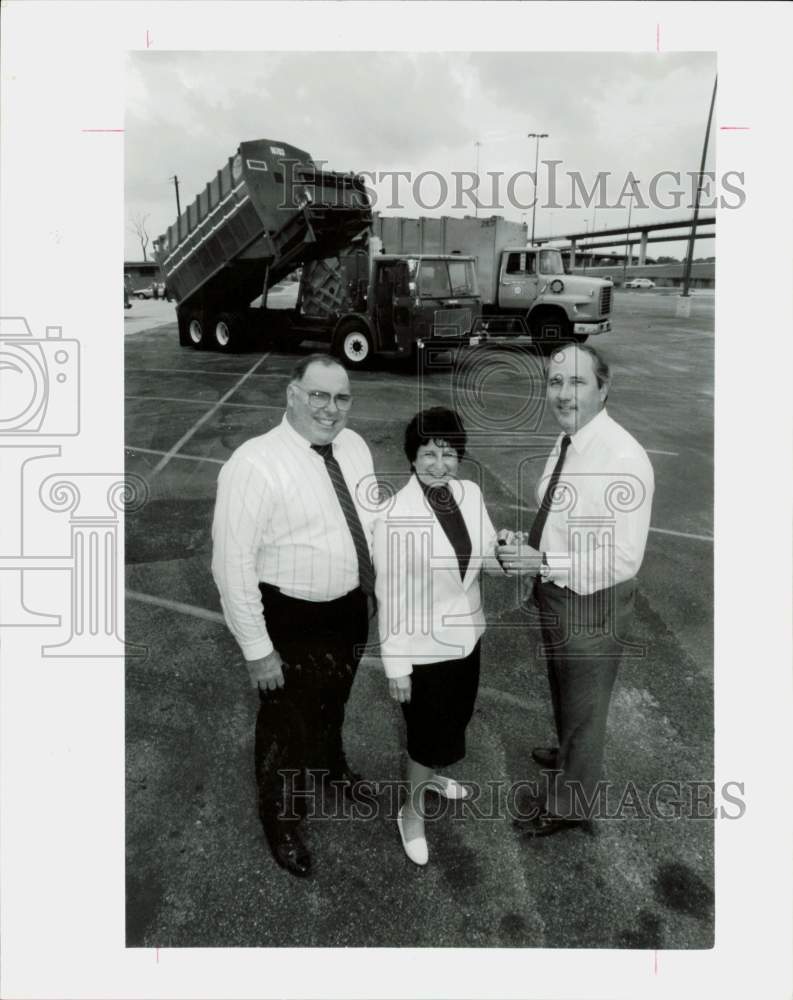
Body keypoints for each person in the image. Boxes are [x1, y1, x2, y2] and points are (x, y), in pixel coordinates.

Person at [211, 354, 376, 877]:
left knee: (335, 700)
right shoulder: (253, 464)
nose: (331, 409)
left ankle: (329, 766)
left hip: (349, 607)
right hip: (291, 616)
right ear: (292, 394)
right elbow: (231, 566)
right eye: (319, 395)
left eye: (342, 397)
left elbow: (370, 519)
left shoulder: (354, 447)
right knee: (284, 724)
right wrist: (259, 652)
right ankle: (279, 818)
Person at [498, 343, 654, 838]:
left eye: (577, 382)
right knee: (565, 688)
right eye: (555, 382)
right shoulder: (569, 439)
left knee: (586, 705)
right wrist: (531, 548)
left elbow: (624, 558)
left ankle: (572, 801)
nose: (563, 394)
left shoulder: (622, 457)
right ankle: (569, 753)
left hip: (592, 603)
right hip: (557, 591)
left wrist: (545, 560)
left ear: (604, 389)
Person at [373, 407, 508, 866]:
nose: (438, 465)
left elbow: (485, 555)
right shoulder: (395, 515)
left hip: (466, 636)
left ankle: (429, 780)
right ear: (412, 458)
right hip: (423, 648)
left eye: (449, 454)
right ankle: (410, 813)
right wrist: (398, 667)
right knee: (425, 734)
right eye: (429, 453)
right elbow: (389, 595)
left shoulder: (468, 493)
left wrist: (505, 551)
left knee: (454, 719)